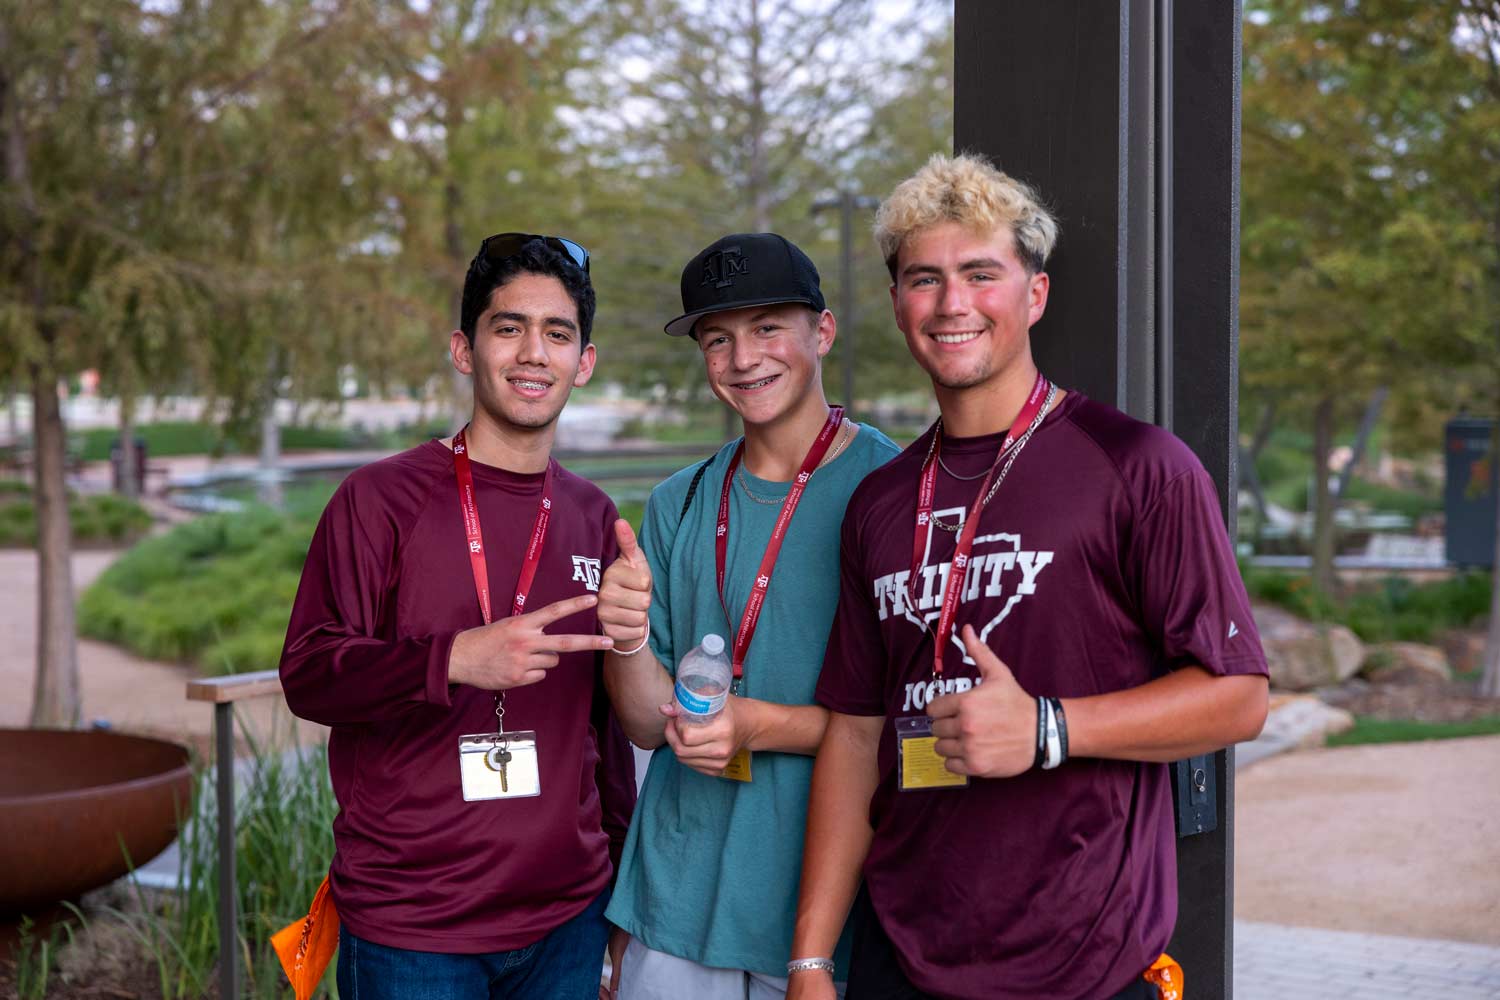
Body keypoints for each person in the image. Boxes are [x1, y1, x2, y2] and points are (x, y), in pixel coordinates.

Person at [788, 154, 1270, 1000]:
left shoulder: (1139, 467)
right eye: (923, 279)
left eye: (981, 273)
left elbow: (1238, 697)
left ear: (1033, 295)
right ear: (899, 303)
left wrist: (1048, 728)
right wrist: (812, 958)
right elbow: (857, 734)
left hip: (1084, 963)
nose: (952, 304)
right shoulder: (880, 500)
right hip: (899, 958)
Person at [279, 233, 637, 1000]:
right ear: (465, 350)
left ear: (585, 361)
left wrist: (619, 891)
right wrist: (449, 660)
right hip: (415, 930)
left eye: (558, 333)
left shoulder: (593, 515)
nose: (533, 353)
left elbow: (602, 725)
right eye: (508, 328)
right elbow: (308, 673)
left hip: (567, 920)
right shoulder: (380, 500)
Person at [594, 233, 901, 1000]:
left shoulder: (897, 491)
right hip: (672, 905)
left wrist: (760, 724)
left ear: (821, 333)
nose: (743, 359)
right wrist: (626, 636)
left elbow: (919, 728)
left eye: (768, 328)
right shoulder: (679, 500)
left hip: (819, 922)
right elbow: (641, 724)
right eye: (718, 339)